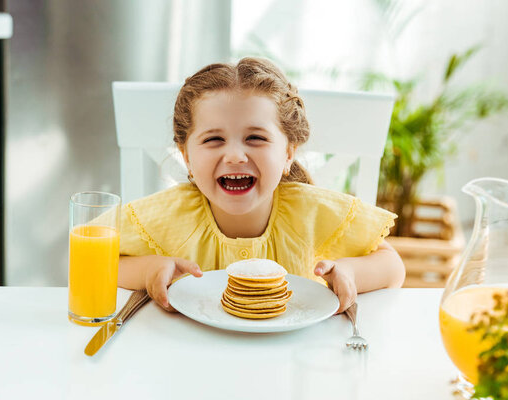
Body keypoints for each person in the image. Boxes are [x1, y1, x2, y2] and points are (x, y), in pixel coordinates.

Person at [117, 57, 405, 314]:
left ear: (288, 153)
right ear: (187, 156)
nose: (234, 156)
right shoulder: (170, 214)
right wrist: (148, 271)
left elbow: (393, 268)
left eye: (255, 138)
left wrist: (350, 273)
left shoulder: (312, 212)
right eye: (213, 139)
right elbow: (92, 262)